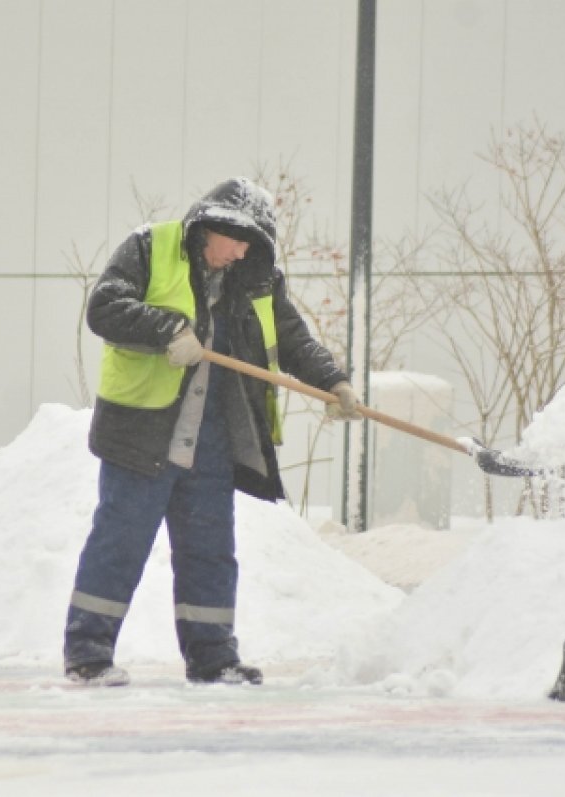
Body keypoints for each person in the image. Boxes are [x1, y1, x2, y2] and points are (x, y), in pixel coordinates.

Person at [64, 177, 361, 687]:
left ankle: (213, 658)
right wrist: (168, 331)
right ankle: (88, 655)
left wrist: (334, 382)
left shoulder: (256, 279)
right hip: (142, 432)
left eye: (252, 246)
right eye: (237, 241)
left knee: (210, 551)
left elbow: (291, 337)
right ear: (212, 228)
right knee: (120, 541)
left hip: (214, 438)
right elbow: (105, 307)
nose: (242, 252)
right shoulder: (150, 247)